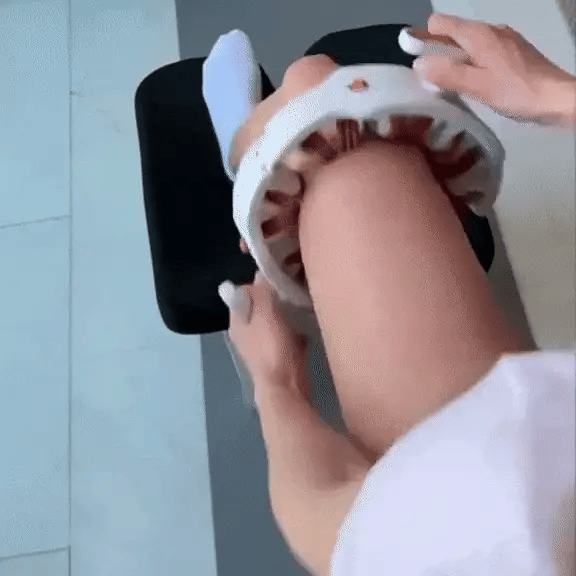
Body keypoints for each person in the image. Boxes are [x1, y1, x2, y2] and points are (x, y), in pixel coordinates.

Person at [220, 12, 576, 576]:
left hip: (482, 464)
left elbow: (322, 516)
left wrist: (276, 380)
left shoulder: (467, 535)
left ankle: (244, 146)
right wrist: (556, 97)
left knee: (314, 88)